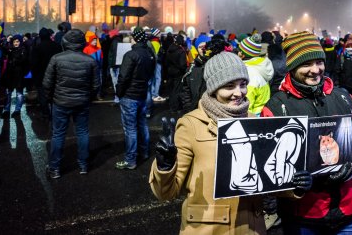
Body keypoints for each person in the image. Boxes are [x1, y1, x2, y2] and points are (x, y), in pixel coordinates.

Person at [260, 31, 352, 234]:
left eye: (319, 62)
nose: (315, 70)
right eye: (306, 64)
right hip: (304, 216)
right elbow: (268, 167)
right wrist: (291, 184)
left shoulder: (343, 97)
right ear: (292, 67)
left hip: (349, 211)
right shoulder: (275, 108)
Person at [149, 51, 268, 234]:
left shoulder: (254, 122)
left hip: (252, 228)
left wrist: (294, 186)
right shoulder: (191, 124)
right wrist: (165, 167)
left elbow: (268, 179)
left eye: (243, 84)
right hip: (207, 229)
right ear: (213, 88)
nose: (239, 93)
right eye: (229, 86)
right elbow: (167, 192)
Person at [43, 29, 99, 178]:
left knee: (59, 134)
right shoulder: (90, 60)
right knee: (82, 132)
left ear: (65, 43)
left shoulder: (56, 58)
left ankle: (54, 168)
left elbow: (47, 84)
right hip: (82, 102)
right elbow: (95, 86)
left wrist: (50, 99)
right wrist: (88, 98)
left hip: (60, 102)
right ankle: (83, 165)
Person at [115, 28, 156, 169]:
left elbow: (123, 77)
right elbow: (150, 74)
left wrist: (119, 92)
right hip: (142, 94)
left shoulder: (131, 55)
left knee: (130, 129)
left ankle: (130, 160)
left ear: (135, 38)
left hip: (129, 95)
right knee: (142, 124)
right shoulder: (149, 54)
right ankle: (144, 152)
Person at [238, 35, 273, 116]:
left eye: (239, 50)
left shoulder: (249, 73)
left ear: (242, 54)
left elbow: (247, 102)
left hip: (253, 115)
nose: (237, 52)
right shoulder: (259, 67)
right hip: (262, 112)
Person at [30, 28, 61, 119]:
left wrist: (34, 77)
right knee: (54, 94)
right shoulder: (57, 46)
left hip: (41, 76)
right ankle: (54, 112)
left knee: (42, 96)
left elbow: (33, 63)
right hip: (55, 75)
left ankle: (45, 113)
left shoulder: (37, 48)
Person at [1, 34, 29, 118]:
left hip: (19, 75)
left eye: (17, 41)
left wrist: (14, 60)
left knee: (19, 93)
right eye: (14, 42)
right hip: (10, 74)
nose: (15, 43)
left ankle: (17, 110)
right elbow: (4, 49)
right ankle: (6, 110)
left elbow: (22, 61)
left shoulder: (23, 50)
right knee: (8, 93)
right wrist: (6, 42)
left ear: (20, 42)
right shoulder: (10, 49)